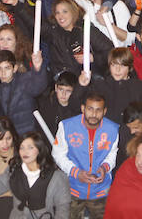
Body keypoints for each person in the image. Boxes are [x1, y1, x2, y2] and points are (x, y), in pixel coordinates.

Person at [0, 131, 71, 219]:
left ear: (40, 149)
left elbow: (62, 209)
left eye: (30, 147)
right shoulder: (14, 170)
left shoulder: (57, 177)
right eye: (22, 148)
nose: (25, 152)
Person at [52, 91, 119, 219]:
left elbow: (112, 153)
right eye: (90, 109)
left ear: (104, 111)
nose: (94, 114)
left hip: (100, 190)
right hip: (72, 188)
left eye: (98, 110)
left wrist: (105, 167)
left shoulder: (113, 129)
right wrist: (75, 172)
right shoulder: (66, 126)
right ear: (83, 108)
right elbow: (58, 154)